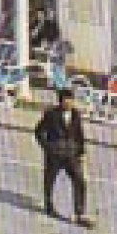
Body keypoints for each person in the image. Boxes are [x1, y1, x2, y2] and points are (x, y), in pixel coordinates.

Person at [34, 87, 92, 226]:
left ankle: (80, 212)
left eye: (71, 100)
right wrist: (47, 147)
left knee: (79, 180)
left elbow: (79, 134)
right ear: (60, 101)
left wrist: (81, 152)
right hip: (55, 153)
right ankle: (49, 204)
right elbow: (39, 131)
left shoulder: (76, 114)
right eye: (66, 100)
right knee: (50, 179)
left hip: (71, 154)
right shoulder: (51, 114)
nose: (69, 103)